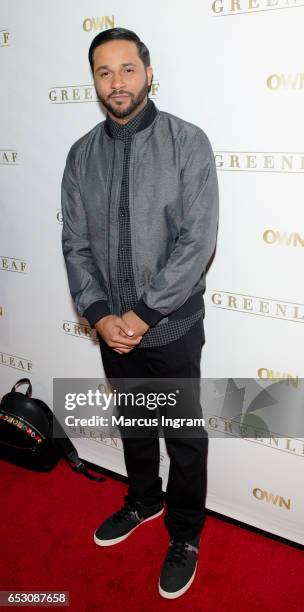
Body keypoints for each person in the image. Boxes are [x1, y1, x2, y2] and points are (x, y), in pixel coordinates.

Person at [61, 27, 219, 599]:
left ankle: (184, 534)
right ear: (95, 82)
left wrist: (145, 315)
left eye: (127, 69)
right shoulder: (81, 155)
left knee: (182, 433)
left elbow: (197, 243)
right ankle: (143, 501)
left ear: (148, 74)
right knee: (134, 423)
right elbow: (75, 245)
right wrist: (102, 315)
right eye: (104, 72)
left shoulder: (187, 142)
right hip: (112, 330)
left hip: (172, 325)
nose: (116, 82)